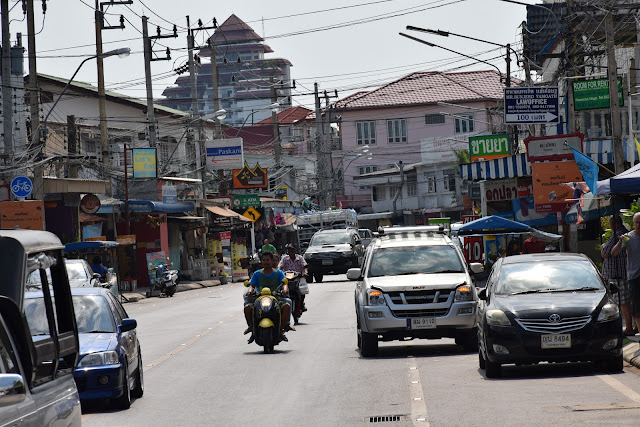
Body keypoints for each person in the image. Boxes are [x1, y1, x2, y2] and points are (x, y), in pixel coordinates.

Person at [243, 252, 295, 342]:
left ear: (272, 261)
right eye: (264, 260)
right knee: (247, 306)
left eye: (268, 260)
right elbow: (252, 285)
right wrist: (250, 291)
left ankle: (282, 327)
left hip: (276, 298)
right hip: (259, 298)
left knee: (288, 303)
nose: (266, 262)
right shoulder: (257, 273)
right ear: (261, 262)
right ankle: (251, 328)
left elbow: (284, 283)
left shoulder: (278, 273)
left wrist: (285, 290)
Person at [602, 214, 633, 335]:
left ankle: (629, 327)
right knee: (623, 301)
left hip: (617, 274)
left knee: (623, 302)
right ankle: (630, 326)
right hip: (620, 273)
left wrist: (605, 248)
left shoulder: (618, 235)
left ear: (614, 224)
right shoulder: (622, 234)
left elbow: (605, 253)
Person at [612, 212, 640, 336]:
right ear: (633, 224)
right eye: (637, 222)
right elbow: (614, 253)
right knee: (636, 308)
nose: (639, 225)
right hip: (634, 277)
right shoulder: (628, 237)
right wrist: (620, 242)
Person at [278, 244, 308, 312]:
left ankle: (302, 304)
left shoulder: (300, 258)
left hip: (297, 279)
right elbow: (280, 266)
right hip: (287, 279)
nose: (290, 251)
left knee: (302, 291)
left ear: (295, 250)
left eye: (292, 249)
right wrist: (279, 272)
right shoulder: (285, 258)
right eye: (289, 250)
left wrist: (305, 273)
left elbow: (304, 266)